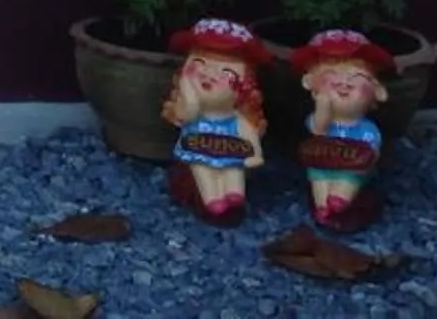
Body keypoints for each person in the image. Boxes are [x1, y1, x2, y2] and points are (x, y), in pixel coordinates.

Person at [162, 18, 271, 223]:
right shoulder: (193, 114)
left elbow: (249, 135)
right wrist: (188, 88)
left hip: (231, 152)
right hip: (198, 150)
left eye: (226, 72)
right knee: (202, 170)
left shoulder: (236, 119)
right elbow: (187, 112)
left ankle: (234, 193)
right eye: (199, 64)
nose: (209, 74)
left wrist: (255, 154)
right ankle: (211, 200)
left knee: (233, 169)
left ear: (244, 87)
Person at [290, 28, 394, 232]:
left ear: (377, 92)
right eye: (331, 75)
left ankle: (340, 201)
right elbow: (319, 130)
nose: (344, 83)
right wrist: (323, 105)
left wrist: (367, 159)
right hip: (321, 165)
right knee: (319, 181)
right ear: (311, 84)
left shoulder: (366, 128)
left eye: (356, 77)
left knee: (347, 181)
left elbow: (371, 153)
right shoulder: (319, 120)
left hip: (351, 170)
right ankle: (323, 207)